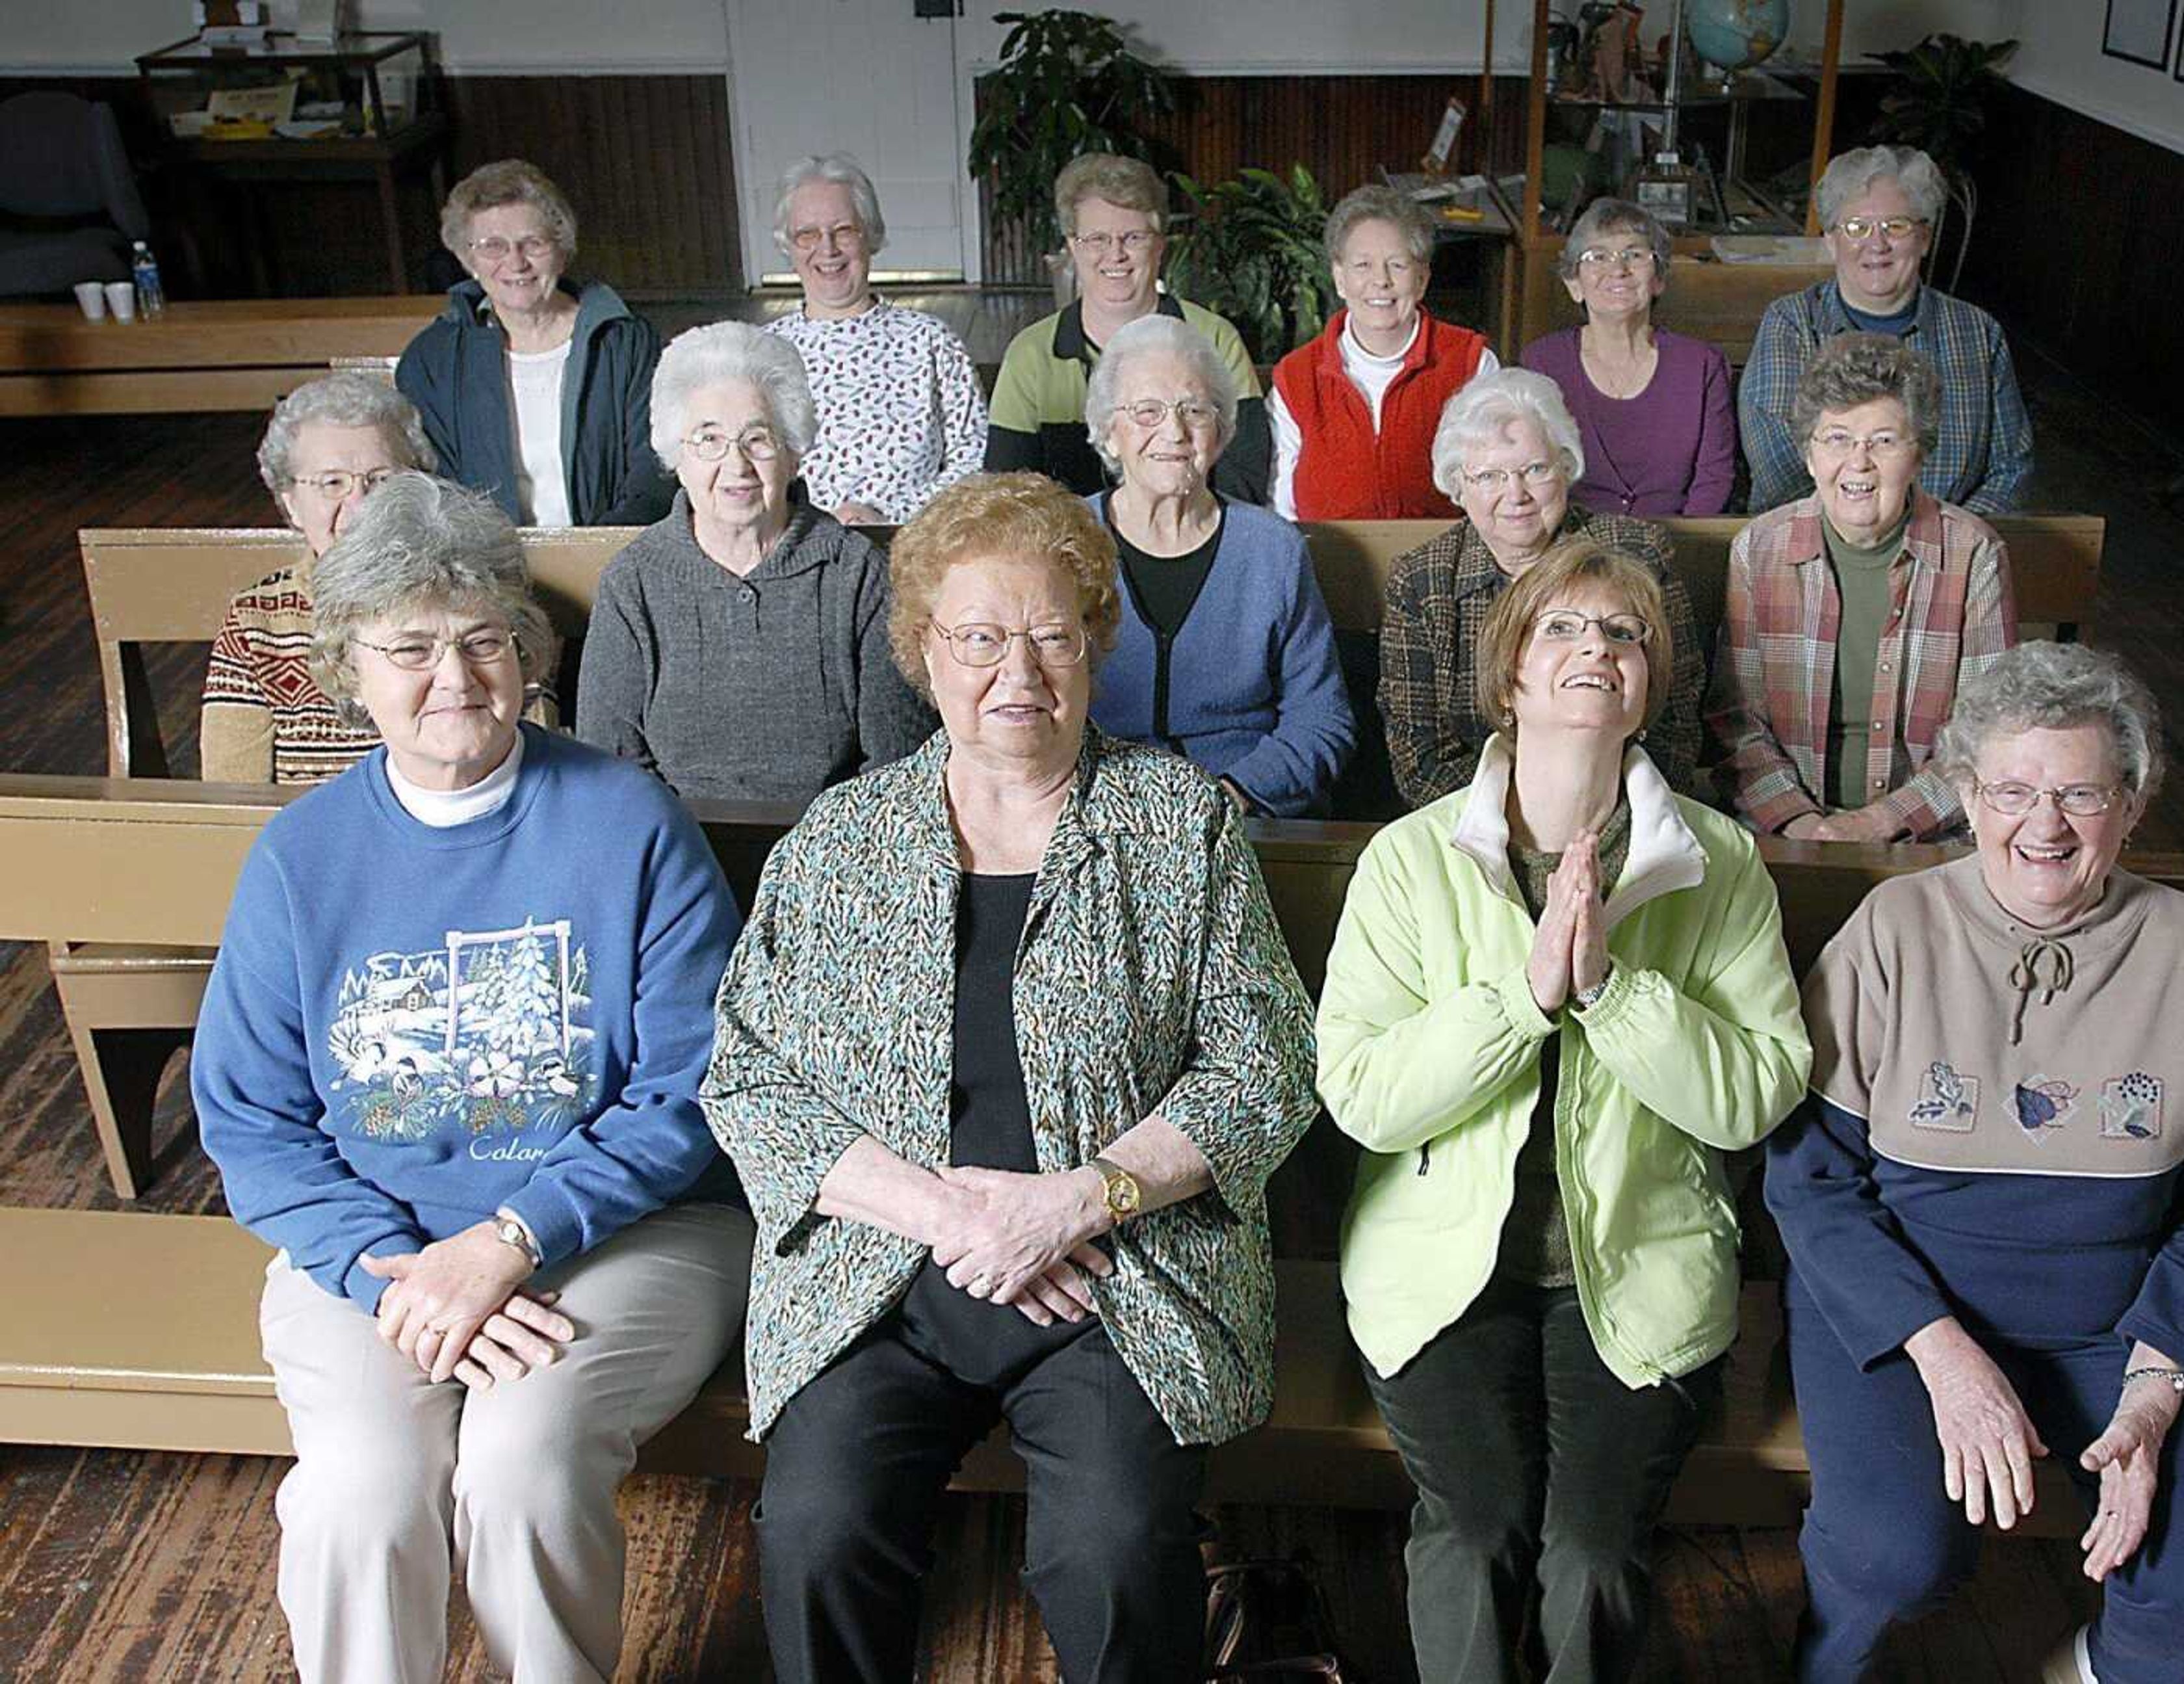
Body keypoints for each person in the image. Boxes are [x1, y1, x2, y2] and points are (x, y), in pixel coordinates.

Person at [702, 471, 1318, 1684]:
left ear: (1095, 644)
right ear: (926, 653)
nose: (1016, 673)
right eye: (979, 638)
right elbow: (748, 1078)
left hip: (1116, 1275)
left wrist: (1079, 1200)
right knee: (818, 1530)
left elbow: (1268, 1063)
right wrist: (950, 1216)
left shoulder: (1176, 821)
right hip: (885, 1274)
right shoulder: (842, 835)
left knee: (1115, 1545)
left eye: (1049, 635)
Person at [190, 473, 751, 1684]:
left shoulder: (628, 823)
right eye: (410, 648)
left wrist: (510, 1238)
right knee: (359, 1497)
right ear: (350, 664)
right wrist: (394, 1271)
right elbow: (250, 1119)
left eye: (483, 640)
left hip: (627, 1232)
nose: (455, 678)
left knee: (522, 1464)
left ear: (526, 650)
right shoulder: (301, 859)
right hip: (375, 1256)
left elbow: (690, 1087)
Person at [1317, 535, 1811, 1684]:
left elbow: (1753, 1095)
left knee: (1590, 1552)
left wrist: (1610, 991)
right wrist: (1524, 998)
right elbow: (1364, 1097)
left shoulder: (1720, 863)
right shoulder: (1410, 861)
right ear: (1512, 678)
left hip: (1637, 1263)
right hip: (1445, 1270)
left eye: (1625, 635)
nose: (1597, 649)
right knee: (1478, 1531)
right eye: (1563, 631)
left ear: (1648, 684)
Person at [1766, 641, 2184, 1684]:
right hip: (1903, 1310)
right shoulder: (1893, 930)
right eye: (2011, 789)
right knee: (1891, 1555)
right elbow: (1809, 1178)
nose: (2042, 825)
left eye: (2080, 793)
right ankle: (1822, 1665)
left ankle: (2092, 1673)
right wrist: (1947, 1356)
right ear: (1966, 794)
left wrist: (2151, 1394)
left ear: (2133, 804)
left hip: (2123, 1318)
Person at [577, 321, 935, 803]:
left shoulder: (856, 573)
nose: (737, 465)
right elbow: (612, 767)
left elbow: (897, 762)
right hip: (678, 851)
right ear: (675, 457)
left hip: (834, 854)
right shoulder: (633, 581)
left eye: (758, 439)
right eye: (708, 439)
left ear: (793, 453)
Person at [1707, 333, 2018, 843]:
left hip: (1928, 835)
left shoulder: (1973, 555)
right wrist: (1801, 822)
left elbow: (1989, 734)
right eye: (1836, 438)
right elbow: (1735, 721)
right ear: (1809, 456)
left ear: (1919, 457)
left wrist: (1878, 822)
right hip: (1782, 827)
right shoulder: (1758, 549)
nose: (1859, 462)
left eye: (1884, 441)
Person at [1380, 368, 1704, 808]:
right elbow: (1419, 760)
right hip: (1469, 826)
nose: (1516, 494)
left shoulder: (1637, 554)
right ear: (1458, 485)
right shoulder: (1421, 581)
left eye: (1535, 469)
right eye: (1490, 476)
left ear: (1566, 467)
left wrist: (1601, 817)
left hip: (1624, 812)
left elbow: (1674, 720)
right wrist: (1517, 820)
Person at [1084, 314, 1355, 816]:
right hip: (1097, 816)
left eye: (1195, 410)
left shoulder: (1273, 550)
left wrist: (1231, 797)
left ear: (1222, 431)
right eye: (1147, 411)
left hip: (1246, 817)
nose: (1175, 431)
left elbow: (1321, 719)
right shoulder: (1066, 543)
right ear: (1109, 431)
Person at [1738, 144, 2033, 515]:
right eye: (1856, 228)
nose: (1876, 244)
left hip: (1953, 554)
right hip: (1818, 552)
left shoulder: (1977, 331)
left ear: (1924, 238)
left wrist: (1948, 544)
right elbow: (1780, 473)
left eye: (1896, 226)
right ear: (1832, 241)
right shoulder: (1791, 322)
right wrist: (1862, 545)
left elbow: (2010, 467)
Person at [397, 159, 672, 528]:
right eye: (493, 246)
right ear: (468, 259)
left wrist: (595, 557)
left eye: (533, 243)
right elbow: (431, 487)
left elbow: (654, 472)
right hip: (482, 566)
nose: (516, 262)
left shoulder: (625, 343)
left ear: (561, 250)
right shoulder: (433, 358)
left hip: (609, 555)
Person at [985, 153, 1270, 503]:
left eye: (1133, 237)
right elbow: (1007, 492)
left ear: (1160, 245)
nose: (1116, 254)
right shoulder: (1031, 354)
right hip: (1066, 549)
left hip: (1195, 540)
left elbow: (1244, 480)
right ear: (1073, 247)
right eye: (1097, 239)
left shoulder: (1214, 340)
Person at [203, 372, 434, 783]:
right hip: (303, 845)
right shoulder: (257, 619)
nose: (360, 504)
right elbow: (233, 795)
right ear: (291, 503)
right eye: (332, 483)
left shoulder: (470, 598)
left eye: (381, 480)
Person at [764, 153, 986, 523]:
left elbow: (974, 456)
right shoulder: (762, 352)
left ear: (871, 236)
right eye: (808, 235)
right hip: (794, 550)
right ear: (789, 247)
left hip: (915, 545)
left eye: (844, 231)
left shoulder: (929, 341)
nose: (828, 249)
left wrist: (893, 517)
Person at [1269, 185, 1498, 521]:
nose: (1381, 281)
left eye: (1397, 266)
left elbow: (1496, 485)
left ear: (1422, 280)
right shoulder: (1295, 376)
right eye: (1363, 265)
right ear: (1339, 278)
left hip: (1445, 563)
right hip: (1329, 563)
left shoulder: (1471, 363)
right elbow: (1280, 505)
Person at [1522, 198, 1737, 518]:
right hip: (1570, 546)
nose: (1618, 270)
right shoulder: (1541, 364)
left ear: (1659, 278)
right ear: (1574, 284)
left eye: (1634, 255)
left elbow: (1714, 479)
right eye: (1598, 257)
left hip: (1679, 546)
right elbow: (1531, 475)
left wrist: (1680, 547)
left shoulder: (1702, 365)